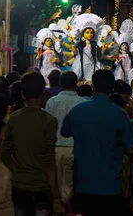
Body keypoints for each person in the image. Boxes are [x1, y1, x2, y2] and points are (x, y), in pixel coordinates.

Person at [61, 69, 133, 215]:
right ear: (112, 88)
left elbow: (64, 132)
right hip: (111, 184)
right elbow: (131, 148)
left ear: (93, 86)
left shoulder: (78, 110)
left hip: (83, 182)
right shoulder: (119, 114)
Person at [1, 72, 63, 216]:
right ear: (44, 92)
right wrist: (56, 197)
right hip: (41, 187)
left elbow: (5, 154)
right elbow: (48, 161)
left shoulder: (14, 118)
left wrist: (18, 171)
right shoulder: (49, 121)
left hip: (18, 185)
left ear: (23, 93)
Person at [45, 71, 86, 203]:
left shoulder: (52, 102)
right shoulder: (82, 102)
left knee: (55, 184)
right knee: (69, 185)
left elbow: (47, 127)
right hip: (74, 149)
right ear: (76, 84)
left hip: (55, 149)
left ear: (61, 84)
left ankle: (59, 207)